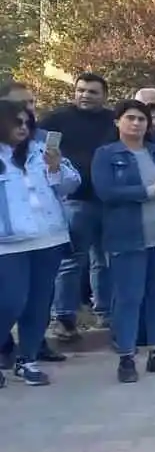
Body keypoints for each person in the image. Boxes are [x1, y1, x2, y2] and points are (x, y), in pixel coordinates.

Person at [93, 100, 155, 384]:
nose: (136, 124)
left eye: (141, 119)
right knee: (129, 299)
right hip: (127, 236)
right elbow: (107, 192)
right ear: (117, 122)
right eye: (130, 118)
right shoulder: (106, 154)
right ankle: (126, 356)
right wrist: (154, 189)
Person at [0, 99, 79, 388]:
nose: (23, 128)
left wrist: (57, 168)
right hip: (8, 243)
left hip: (49, 238)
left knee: (38, 305)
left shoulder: (40, 152)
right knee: (10, 301)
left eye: (27, 123)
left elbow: (71, 185)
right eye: (16, 122)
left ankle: (27, 359)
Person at [42, 72, 116, 343]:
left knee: (104, 260)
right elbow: (41, 151)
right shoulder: (57, 119)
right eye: (81, 90)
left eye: (92, 91)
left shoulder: (113, 121)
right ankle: (63, 317)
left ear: (104, 96)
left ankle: (105, 314)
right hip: (75, 201)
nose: (85, 95)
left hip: (108, 201)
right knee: (72, 261)